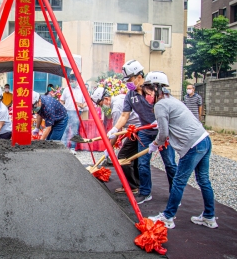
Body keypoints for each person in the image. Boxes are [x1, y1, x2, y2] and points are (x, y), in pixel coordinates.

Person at [142, 72, 217, 230]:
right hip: (204, 139)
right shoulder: (170, 100)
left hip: (193, 145)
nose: (146, 96)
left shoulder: (160, 105)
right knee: (203, 180)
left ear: (157, 89)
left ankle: (168, 217)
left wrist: (154, 144)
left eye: (148, 92)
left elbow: (163, 134)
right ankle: (209, 217)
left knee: (178, 181)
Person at [110, 60, 177, 204]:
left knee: (170, 164)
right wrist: (115, 129)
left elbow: (171, 108)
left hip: (162, 132)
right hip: (145, 133)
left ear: (139, 76)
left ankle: (175, 193)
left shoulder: (156, 90)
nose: (128, 83)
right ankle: (145, 192)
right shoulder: (130, 95)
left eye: (129, 79)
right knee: (142, 163)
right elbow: (124, 115)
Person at [92, 87, 141, 193]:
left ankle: (132, 186)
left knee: (123, 157)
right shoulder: (119, 98)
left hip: (137, 130)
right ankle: (137, 183)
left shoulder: (116, 108)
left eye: (101, 104)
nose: (101, 107)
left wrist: (108, 149)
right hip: (136, 129)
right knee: (133, 158)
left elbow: (115, 133)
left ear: (106, 99)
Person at [60, 74, 87, 155]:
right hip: (67, 111)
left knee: (74, 131)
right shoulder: (66, 90)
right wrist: (63, 107)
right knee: (65, 129)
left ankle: (72, 147)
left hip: (77, 112)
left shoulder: (82, 90)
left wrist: (82, 105)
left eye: (73, 81)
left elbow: (86, 102)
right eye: (70, 81)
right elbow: (62, 100)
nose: (71, 82)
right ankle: (63, 146)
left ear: (77, 81)